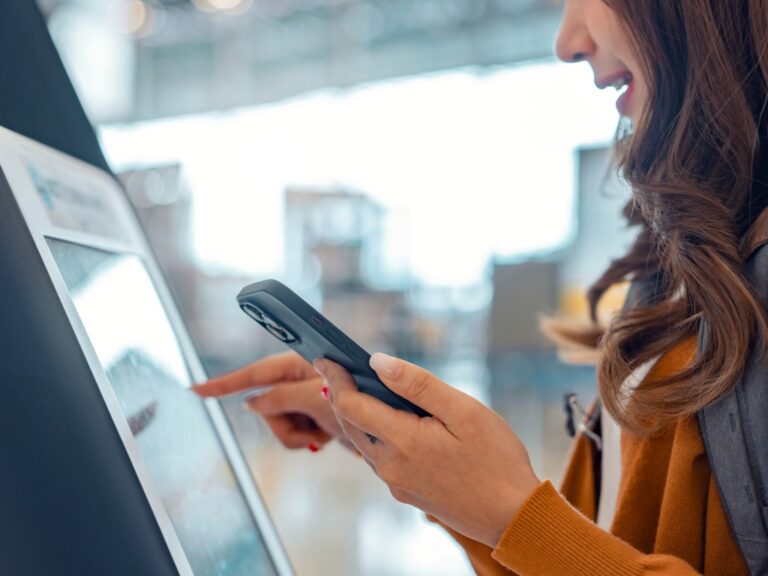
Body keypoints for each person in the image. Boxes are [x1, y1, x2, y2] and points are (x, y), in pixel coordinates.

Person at [195, 1, 768, 574]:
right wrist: (430, 462)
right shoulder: (683, 269)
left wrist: (510, 514)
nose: (567, 40)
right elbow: (597, 543)